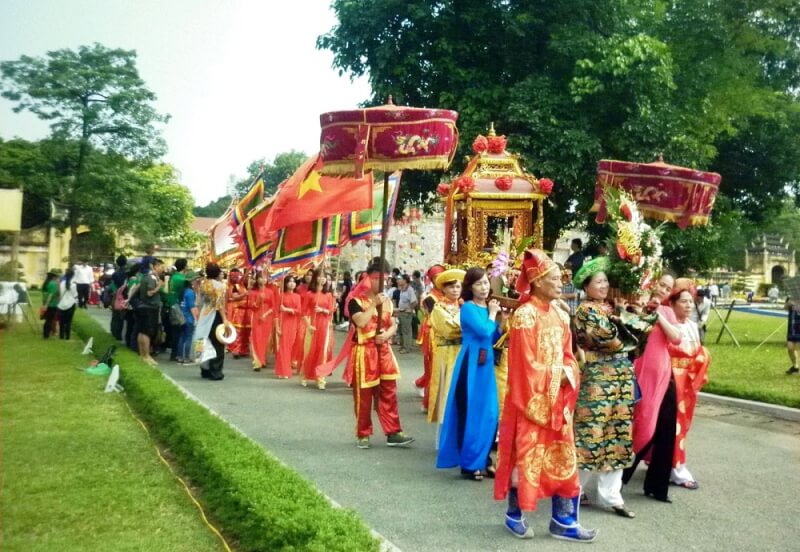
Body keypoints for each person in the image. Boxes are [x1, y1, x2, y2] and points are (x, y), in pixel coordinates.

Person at [494, 248, 596, 542]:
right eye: (553, 278)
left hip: (557, 401)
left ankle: (563, 520)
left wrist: (568, 372)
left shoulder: (560, 315)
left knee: (563, 459)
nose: (559, 282)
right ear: (537, 281)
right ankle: (515, 514)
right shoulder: (525, 317)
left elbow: (568, 355)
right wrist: (558, 374)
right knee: (526, 458)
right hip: (530, 402)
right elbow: (525, 367)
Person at [572, 257, 657, 518]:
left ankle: (612, 495)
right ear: (585, 286)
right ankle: (572, 490)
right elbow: (613, 340)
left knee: (618, 433)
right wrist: (635, 320)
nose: (604, 285)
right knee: (592, 432)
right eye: (598, 281)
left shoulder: (610, 310)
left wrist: (632, 319)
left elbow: (636, 340)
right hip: (598, 377)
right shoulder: (586, 312)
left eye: (605, 280)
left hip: (621, 376)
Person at [622, 273, 683, 503]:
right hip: (639, 371)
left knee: (655, 425)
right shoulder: (636, 305)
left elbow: (676, 338)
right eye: (661, 285)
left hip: (661, 374)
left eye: (668, 289)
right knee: (640, 423)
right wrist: (638, 310)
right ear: (653, 282)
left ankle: (650, 484)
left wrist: (659, 316)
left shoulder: (666, 312)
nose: (663, 290)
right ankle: (616, 476)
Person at [436, 267, 502, 481]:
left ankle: (483, 460)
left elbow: (495, 336)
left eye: (485, 283)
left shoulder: (488, 307)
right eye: (479, 284)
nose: (484, 288)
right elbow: (484, 331)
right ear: (470, 287)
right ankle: (469, 463)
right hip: (471, 364)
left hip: (487, 364)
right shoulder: (469, 308)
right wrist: (493, 314)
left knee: (490, 414)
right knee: (471, 412)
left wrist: (502, 320)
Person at [347, 258, 414, 449]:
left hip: (384, 351)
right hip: (364, 351)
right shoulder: (355, 301)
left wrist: (386, 335)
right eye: (377, 279)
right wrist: (373, 304)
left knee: (389, 392)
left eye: (385, 279)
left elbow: (393, 324)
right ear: (369, 279)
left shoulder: (387, 302)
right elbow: (360, 322)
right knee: (365, 394)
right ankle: (363, 433)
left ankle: (393, 431)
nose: (382, 283)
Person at [666, 281, 710, 489]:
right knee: (676, 425)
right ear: (673, 303)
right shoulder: (669, 326)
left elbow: (698, 352)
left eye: (690, 302)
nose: (688, 306)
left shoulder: (693, 326)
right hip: (673, 380)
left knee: (683, 424)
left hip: (689, 382)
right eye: (683, 301)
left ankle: (665, 462)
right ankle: (677, 468)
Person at [426, 269, 464, 432]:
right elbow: (449, 330)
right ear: (444, 289)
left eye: (458, 287)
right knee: (446, 391)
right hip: (446, 352)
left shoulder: (464, 306)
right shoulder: (438, 308)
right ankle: (443, 436)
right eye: (451, 287)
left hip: (461, 351)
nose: (455, 290)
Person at [415, 265, 446, 410]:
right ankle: (429, 402)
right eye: (436, 278)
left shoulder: (449, 295)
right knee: (433, 368)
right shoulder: (430, 298)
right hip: (432, 335)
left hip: (446, 333)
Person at [301, 269, 335, 389]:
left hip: (324, 325)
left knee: (322, 351)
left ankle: (320, 378)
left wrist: (322, 310)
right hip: (312, 324)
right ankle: (305, 375)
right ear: (316, 278)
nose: (322, 279)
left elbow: (331, 311)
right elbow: (304, 312)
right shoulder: (309, 294)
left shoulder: (329, 295)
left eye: (324, 277)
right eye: (320, 277)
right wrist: (308, 325)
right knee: (310, 350)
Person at [194, 263, 228, 380]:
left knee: (202, 339)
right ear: (217, 273)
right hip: (215, 315)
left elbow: (200, 301)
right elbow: (220, 304)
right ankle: (216, 371)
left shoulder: (204, 284)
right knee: (218, 343)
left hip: (204, 314)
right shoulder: (220, 286)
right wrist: (225, 319)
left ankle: (204, 369)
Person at [130, 258, 165, 367]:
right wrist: (159, 286)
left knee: (142, 331)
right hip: (149, 308)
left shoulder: (148, 277)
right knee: (146, 332)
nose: (162, 269)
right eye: (160, 266)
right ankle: (146, 355)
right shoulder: (150, 278)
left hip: (145, 307)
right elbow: (150, 293)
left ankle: (143, 354)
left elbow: (138, 287)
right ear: (153, 266)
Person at [275, 275, 302, 379]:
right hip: (283, 323)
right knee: (283, 347)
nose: (292, 283)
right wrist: (277, 326)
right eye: (289, 281)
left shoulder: (297, 296)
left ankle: (285, 369)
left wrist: (287, 310)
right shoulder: (280, 296)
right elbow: (276, 313)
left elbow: (299, 311)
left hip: (293, 323)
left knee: (289, 347)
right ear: (285, 284)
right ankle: (283, 370)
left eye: (294, 282)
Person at [249, 271, 274, 372]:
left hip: (267, 317)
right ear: (257, 279)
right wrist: (259, 300)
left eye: (265, 278)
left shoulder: (270, 292)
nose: (262, 280)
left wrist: (266, 314)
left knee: (266, 339)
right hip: (256, 317)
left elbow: (273, 306)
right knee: (256, 338)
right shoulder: (253, 292)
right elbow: (252, 306)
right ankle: (257, 361)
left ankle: (263, 359)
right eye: (260, 278)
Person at [166, 258, 188, 361]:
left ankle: (174, 353)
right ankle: (175, 353)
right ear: (184, 266)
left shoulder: (173, 277)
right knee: (178, 330)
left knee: (174, 329)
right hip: (177, 305)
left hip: (171, 303)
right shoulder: (182, 279)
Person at [226, 268, 251, 358]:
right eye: (234, 276)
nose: (236, 278)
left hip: (246, 311)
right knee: (238, 331)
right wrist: (245, 295)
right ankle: (236, 349)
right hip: (237, 311)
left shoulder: (243, 285)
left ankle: (244, 350)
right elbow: (234, 297)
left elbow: (244, 278)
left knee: (246, 331)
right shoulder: (234, 287)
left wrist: (249, 270)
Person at [176, 272, 200, 364]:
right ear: (191, 281)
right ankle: (186, 357)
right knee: (188, 337)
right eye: (195, 280)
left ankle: (179, 356)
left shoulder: (183, 291)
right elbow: (193, 307)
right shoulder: (190, 292)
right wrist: (196, 319)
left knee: (182, 336)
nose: (196, 282)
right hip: (188, 318)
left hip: (181, 316)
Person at [395, 274, 418, 353]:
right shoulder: (402, 289)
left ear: (405, 280)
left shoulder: (409, 289)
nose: (398, 281)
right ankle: (403, 346)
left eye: (400, 279)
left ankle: (406, 347)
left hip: (406, 313)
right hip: (401, 312)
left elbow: (414, 301)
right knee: (401, 330)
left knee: (406, 331)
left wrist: (410, 309)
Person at [57, 268, 79, 340]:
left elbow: (60, 294)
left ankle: (61, 336)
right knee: (68, 322)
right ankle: (67, 337)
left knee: (61, 322)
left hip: (61, 304)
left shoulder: (61, 283)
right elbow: (75, 295)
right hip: (70, 304)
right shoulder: (73, 285)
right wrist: (77, 303)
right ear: (73, 276)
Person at [109, 256, 128, 340]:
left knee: (115, 316)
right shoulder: (127, 273)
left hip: (116, 296)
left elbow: (111, 284)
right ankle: (119, 335)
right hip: (124, 296)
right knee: (122, 317)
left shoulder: (114, 274)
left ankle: (114, 333)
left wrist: (115, 292)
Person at [41, 270, 61, 339]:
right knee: (49, 320)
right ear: (54, 277)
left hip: (46, 304)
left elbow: (44, 294)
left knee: (47, 320)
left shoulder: (46, 283)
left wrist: (44, 304)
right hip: (52, 305)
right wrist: (46, 305)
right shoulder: (53, 284)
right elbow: (50, 295)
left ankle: (45, 334)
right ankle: (46, 335)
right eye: (56, 277)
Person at [785, 296, 800, 375]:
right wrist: (789, 304)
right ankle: (795, 367)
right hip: (792, 326)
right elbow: (785, 308)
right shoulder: (790, 296)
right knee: (790, 348)